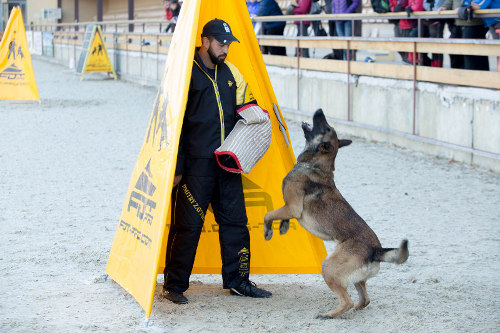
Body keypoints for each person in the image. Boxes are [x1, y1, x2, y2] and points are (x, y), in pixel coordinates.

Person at [162, 18, 272, 304]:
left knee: (236, 224)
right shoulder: (187, 73)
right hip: (196, 166)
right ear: (206, 40)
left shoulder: (230, 73)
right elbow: (176, 125)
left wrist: (261, 117)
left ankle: (238, 282)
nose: (225, 49)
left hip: (227, 163)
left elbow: (246, 110)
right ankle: (174, 286)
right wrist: (178, 168)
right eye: (221, 43)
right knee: (187, 227)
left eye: (228, 44)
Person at [438, 0, 489, 70]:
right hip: (457, 23)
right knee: (453, 52)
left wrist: (464, 8)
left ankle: (474, 77)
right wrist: (445, 7)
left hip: (474, 23)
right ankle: (459, 77)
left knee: (470, 55)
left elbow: (478, 4)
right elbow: (449, 1)